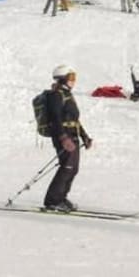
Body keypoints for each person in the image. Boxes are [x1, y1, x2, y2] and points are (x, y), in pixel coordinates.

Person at [42, 65, 91, 212]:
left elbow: (75, 120)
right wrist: (63, 138)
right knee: (66, 168)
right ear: (62, 78)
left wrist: (85, 136)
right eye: (71, 78)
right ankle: (52, 201)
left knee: (72, 169)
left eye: (74, 77)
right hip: (63, 136)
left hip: (72, 135)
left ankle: (61, 198)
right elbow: (55, 118)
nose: (73, 81)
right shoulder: (56, 95)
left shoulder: (67, 94)